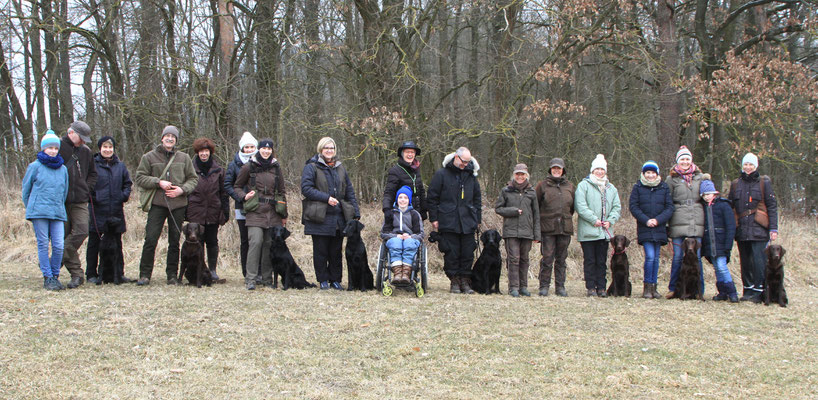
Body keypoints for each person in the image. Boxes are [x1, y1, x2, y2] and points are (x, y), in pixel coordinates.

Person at [134, 125, 198, 286]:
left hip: (178, 205)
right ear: (162, 138)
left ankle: (172, 275)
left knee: (175, 241)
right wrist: (158, 182)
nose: (170, 139)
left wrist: (182, 190)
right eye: (167, 136)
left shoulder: (184, 158)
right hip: (157, 204)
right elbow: (140, 178)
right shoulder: (149, 157)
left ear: (176, 140)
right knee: (150, 239)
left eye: (173, 137)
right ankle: (145, 274)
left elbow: (193, 179)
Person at [301, 137, 360, 290]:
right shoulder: (311, 167)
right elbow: (306, 189)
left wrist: (356, 212)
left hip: (338, 216)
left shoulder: (340, 168)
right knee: (320, 250)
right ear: (320, 149)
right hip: (318, 216)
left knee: (335, 251)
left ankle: (335, 279)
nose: (329, 151)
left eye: (331, 148)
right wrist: (326, 198)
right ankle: (323, 280)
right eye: (326, 148)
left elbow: (349, 191)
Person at [234, 139, 287, 290]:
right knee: (255, 242)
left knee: (269, 245)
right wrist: (244, 196)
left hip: (273, 211)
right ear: (259, 149)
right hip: (255, 211)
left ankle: (267, 278)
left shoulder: (276, 168)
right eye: (263, 148)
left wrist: (284, 215)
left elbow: (282, 192)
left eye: (269, 149)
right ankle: (250, 279)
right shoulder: (249, 166)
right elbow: (236, 186)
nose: (266, 151)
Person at [427, 146, 481, 294]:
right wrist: (434, 218)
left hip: (468, 221)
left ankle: (465, 280)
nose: (466, 165)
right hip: (447, 220)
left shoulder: (472, 176)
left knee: (468, 253)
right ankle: (454, 281)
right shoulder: (441, 174)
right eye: (464, 161)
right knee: (451, 253)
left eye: (468, 162)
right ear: (456, 158)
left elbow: (477, 199)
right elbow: (432, 197)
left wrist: (478, 219)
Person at [728, 152, 778, 303]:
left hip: (759, 229)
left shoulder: (764, 183)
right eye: (745, 164)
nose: (748, 167)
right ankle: (748, 290)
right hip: (742, 229)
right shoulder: (736, 184)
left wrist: (773, 228)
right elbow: (730, 206)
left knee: (759, 261)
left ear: (756, 166)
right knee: (745, 261)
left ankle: (759, 291)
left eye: (751, 164)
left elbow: (772, 206)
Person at [22, 131, 69, 291]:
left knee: (58, 245)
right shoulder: (34, 167)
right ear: (43, 149)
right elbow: (26, 191)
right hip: (39, 213)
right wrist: (31, 208)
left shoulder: (63, 169)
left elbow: (64, 191)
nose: (53, 151)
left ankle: (55, 276)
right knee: (43, 244)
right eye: (50, 148)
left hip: (57, 212)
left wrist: (58, 206)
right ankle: (47, 277)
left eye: (56, 148)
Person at [86, 136, 133, 284]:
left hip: (116, 210)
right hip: (97, 209)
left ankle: (119, 273)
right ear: (100, 148)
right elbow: (86, 184)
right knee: (94, 242)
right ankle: (92, 274)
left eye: (110, 147)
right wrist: (94, 197)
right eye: (105, 147)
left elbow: (127, 183)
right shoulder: (92, 165)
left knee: (117, 244)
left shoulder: (120, 166)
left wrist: (123, 196)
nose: (108, 150)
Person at [574, 154, 621, 297]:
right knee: (590, 260)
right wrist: (594, 219)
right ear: (592, 170)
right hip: (588, 231)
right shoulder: (583, 186)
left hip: (604, 232)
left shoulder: (611, 188)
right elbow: (580, 206)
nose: (599, 172)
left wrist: (610, 221)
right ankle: (590, 287)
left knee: (601, 261)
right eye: (597, 169)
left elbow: (617, 207)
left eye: (602, 169)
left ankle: (601, 287)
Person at [58, 120, 98, 288]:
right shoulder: (57, 147)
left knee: (81, 231)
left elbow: (93, 174)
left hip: (80, 200)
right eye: (80, 138)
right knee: (64, 235)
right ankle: (77, 274)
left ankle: (57, 258)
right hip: (61, 200)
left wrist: (85, 189)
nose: (82, 141)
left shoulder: (86, 152)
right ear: (71, 133)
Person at [628, 160, 674, 299]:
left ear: (657, 174)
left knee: (656, 259)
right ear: (643, 174)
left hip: (659, 228)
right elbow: (634, 207)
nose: (650, 175)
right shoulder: (638, 188)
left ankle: (654, 287)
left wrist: (658, 220)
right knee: (650, 257)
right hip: (645, 227)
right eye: (648, 172)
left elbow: (669, 207)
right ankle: (647, 287)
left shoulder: (664, 187)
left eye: (653, 173)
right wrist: (646, 220)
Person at [186, 138, 230, 281]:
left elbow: (223, 192)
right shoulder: (190, 169)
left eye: (206, 151)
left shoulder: (219, 170)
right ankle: (196, 270)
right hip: (195, 211)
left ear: (210, 153)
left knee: (212, 241)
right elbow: (185, 191)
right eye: (201, 151)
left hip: (213, 211)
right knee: (196, 242)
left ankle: (212, 270)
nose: (204, 154)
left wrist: (225, 210)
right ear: (197, 153)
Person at [495, 163, 540, 297]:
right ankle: (513, 287)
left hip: (527, 231)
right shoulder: (506, 190)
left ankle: (523, 287)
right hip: (511, 231)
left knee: (524, 259)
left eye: (522, 174)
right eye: (517, 174)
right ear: (514, 175)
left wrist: (537, 234)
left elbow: (536, 214)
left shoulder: (532, 192)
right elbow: (498, 208)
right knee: (514, 259)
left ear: (527, 176)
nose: (520, 177)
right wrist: (513, 211)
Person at [665, 145, 705, 298]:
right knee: (677, 257)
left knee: (697, 257)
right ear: (677, 161)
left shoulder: (700, 177)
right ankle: (673, 288)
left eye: (687, 159)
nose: (685, 161)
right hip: (677, 219)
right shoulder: (671, 179)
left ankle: (699, 291)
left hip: (696, 220)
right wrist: (667, 224)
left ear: (691, 160)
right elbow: (667, 200)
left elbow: (707, 195)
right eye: (682, 159)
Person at [535, 158, 575, 297]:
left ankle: (560, 287)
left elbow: (572, 208)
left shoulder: (569, 186)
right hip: (547, 228)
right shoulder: (542, 186)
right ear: (550, 169)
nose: (556, 170)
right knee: (547, 258)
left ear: (563, 170)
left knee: (562, 259)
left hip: (564, 228)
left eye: (559, 168)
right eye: (554, 168)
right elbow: (536, 206)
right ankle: (544, 286)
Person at [224, 131, 258, 279]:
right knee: (245, 240)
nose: (250, 149)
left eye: (252, 146)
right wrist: (241, 197)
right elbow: (228, 185)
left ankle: (259, 272)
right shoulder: (234, 164)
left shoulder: (261, 161)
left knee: (257, 240)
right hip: (241, 207)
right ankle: (246, 272)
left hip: (259, 208)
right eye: (247, 147)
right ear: (242, 148)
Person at [700, 178, 739, 302]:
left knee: (722, 267)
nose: (707, 197)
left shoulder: (724, 205)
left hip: (722, 244)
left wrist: (728, 244)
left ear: (715, 193)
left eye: (709, 194)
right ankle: (722, 292)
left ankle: (732, 292)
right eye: (704, 194)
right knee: (717, 268)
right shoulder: (703, 208)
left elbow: (730, 226)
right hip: (710, 245)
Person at [380, 186, 424, 284]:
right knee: (396, 242)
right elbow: (384, 233)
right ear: (397, 199)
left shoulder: (415, 214)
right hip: (394, 238)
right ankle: (397, 273)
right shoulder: (391, 214)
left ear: (409, 200)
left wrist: (410, 237)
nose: (402, 200)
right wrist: (396, 236)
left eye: (405, 198)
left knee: (409, 243)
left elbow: (420, 234)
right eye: (400, 197)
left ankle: (406, 274)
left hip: (411, 238)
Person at [382, 141, 427, 220]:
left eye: (412, 152)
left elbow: (421, 191)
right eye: (407, 152)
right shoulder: (395, 171)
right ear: (402, 154)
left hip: (417, 213)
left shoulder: (416, 169)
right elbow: (389, 192)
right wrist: (386, 209)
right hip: (402, 214)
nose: (410, 154)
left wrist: (424, 209)